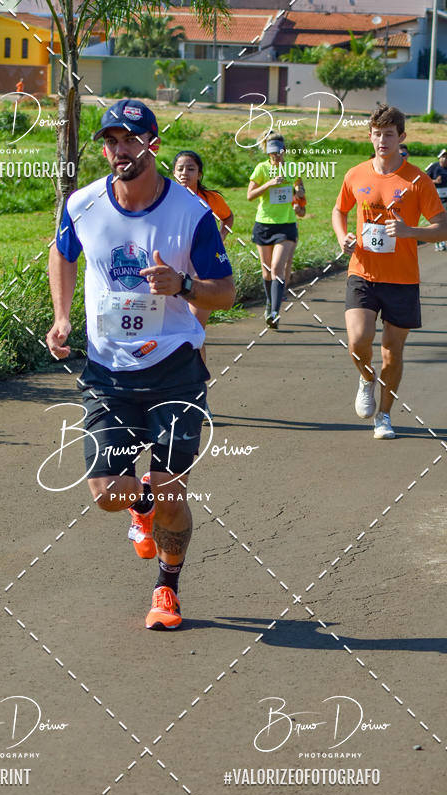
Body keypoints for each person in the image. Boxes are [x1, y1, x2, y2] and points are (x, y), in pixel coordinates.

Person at [47, 99, 235, 630]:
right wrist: (62, 317)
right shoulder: (82, 204)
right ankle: (141, 502)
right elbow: (61, 254)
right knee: (109, 494)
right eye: (111, 141)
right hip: (108, 371)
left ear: (152, 144)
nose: (119, 150)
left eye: (130, 140)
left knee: (174, 496)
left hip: (174, 366)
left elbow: (225, 292)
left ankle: (166, 588)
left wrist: (184, 285)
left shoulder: (191, 213)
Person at [332, 104, 447, 440]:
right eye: (377, 134)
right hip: (362, 272)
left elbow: (442, 227)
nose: (382, 140)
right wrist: (343, 237)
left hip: (402, 279)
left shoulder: (417, 180)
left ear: (401, 137)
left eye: (389, 134)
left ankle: (383, 416)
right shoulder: (356, 174)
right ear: (370, 136)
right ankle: (367, 378)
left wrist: (412, 232)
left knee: (391, 353)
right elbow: (339, 211)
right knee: (358, 341)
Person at [173, 150, 234, 359]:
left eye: (191, 169)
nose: (185, 173)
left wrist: (220, 237)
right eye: (180, 169)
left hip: (202, 271)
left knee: (194, 330)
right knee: (175, 332)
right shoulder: (166, 199)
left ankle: (200, 377)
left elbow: (228, 217)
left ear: (199, 174)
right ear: (173, 173)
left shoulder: (210, 199)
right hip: (175, 269)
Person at [247, 131, 305, 329]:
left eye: (279, 152)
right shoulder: (261, 169)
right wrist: (269, 184)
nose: (276, 156)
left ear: (284, 150)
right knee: (267, 271)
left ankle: (274, 312)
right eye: (272, 152)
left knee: (277, 267)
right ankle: (269, 304)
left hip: (286, 225)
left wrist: (299, 194)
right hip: (264, 224)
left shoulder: (293, 169)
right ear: (267, 152)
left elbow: (300, 195)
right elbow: (250, 196)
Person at [426, 149, 447, 251]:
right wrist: (435, 181)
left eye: (446, 157)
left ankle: (442, 240)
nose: (445, 159)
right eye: (443, 157)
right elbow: (425, 180)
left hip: (446, 198)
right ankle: (439, 242)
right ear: (439, 157)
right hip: (436, 198)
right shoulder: (433, 167)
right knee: (439, 221)